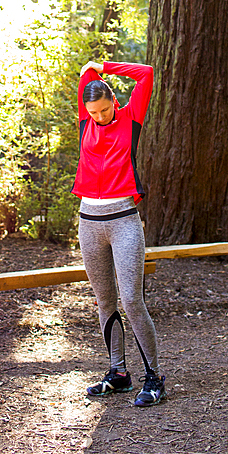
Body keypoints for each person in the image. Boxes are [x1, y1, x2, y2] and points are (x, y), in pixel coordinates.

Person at [72, 59, 166, 407]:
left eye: (104, 109)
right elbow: (85, 76)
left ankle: (154, 378)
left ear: (114, 101)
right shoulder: (86, 121)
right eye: (92, 112)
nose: (99, 117)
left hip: (124, 219)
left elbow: (147, 73)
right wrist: (90, 73)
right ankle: (118, 373)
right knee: (104, 301)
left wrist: (105, 67)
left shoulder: (130, 118)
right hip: (89, 222)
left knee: (131, 300)